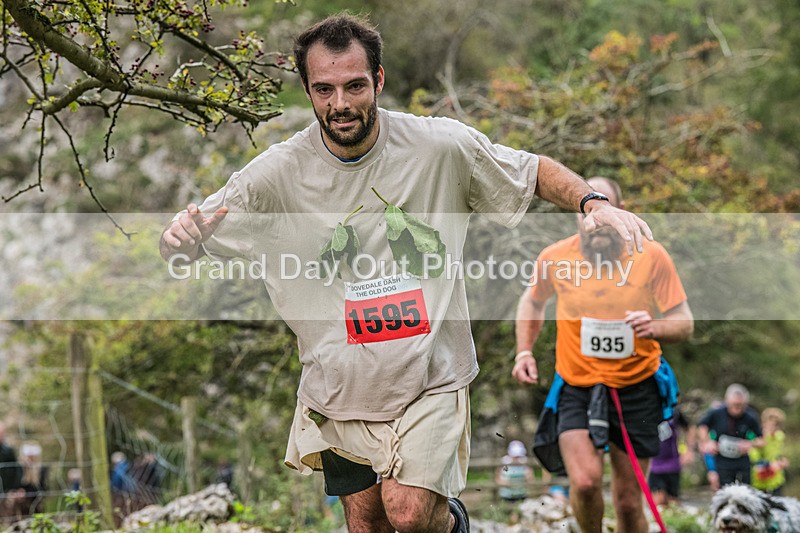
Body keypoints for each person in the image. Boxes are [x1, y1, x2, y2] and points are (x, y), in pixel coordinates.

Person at [160, 14, 653, 532]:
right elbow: (193, 236)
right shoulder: (275, 174)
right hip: (339, 384)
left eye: (354, 85)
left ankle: (451, 522)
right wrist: (182, 244)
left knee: (410, 514)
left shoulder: (439, 146)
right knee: (367, 524)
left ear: (379, 80)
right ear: (307, 89)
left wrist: (593, 202)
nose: (340, 104)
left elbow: (530, 171)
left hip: (430, 372)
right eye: (324, 89)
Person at [512, 177, 694, 533]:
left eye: (605, 208)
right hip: (577, 385)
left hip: (637, 386)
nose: (596, 220)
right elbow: (532, 300)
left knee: (628, 502)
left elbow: (684, 323)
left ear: (622, 212)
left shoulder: (650, 255)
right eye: (589, 211)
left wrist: (654, 325)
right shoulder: (555, 257)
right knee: (584, 483)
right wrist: (523, 352)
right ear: (578, 215)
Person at [698, 384, 763, 489]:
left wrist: (750, 444)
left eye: (740, 405)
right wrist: (707, 441)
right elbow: (702, 426)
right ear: (727, 402)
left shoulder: (750, 416)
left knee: (745, 491)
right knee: (722, 490)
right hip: (721, 459)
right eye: (734, 404)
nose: (737, 408)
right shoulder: (717, 413)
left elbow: (762, 440)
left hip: (741, 460)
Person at [647, 409, 696, 506]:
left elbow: (690, 428)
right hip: (654, 464)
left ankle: (671, 520)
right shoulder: (647, 410)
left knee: (673, 502)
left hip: (672, 463)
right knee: (658, 501)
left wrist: (689, 450)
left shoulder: (673, 411)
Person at [749, 407, 788, 495]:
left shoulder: (780, 437)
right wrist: (770, 464)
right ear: (763, 424)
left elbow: (779, 455)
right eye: (770, 425)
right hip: (759, 483)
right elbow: (754, 461)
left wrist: (783, 461)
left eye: (776, 425)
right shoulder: (757, 438)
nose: (772, 428)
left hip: (776, 482)